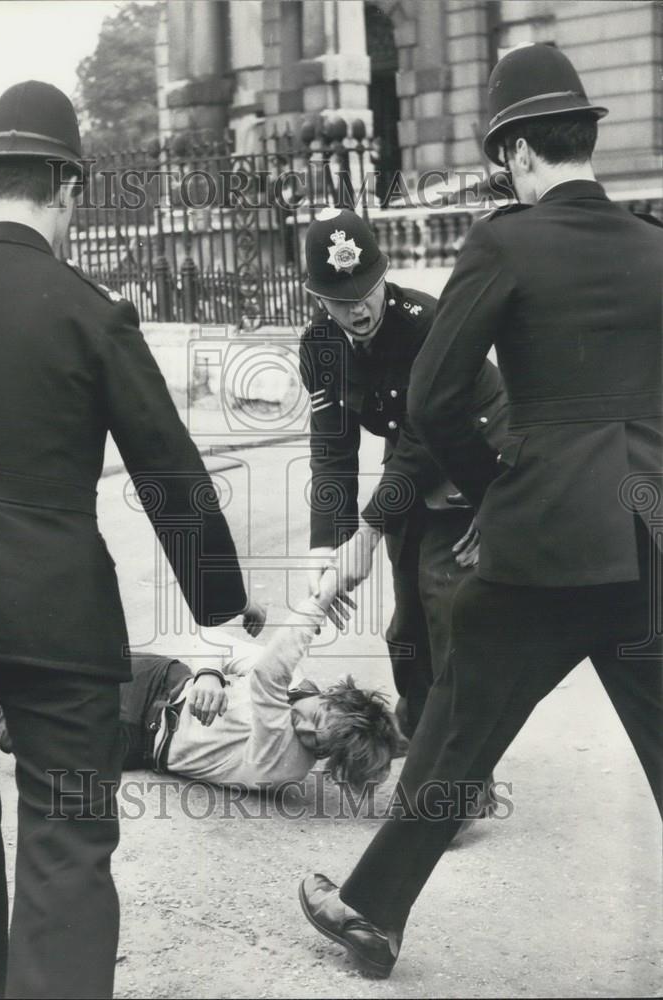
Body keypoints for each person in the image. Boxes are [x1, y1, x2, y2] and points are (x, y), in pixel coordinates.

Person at [0, 81, 256, 1000]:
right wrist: (222, 601)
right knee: (70, 840)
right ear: (68, 188)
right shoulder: (92, 312)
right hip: (56, 611)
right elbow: (167, 462)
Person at [298, 43, 663, 980]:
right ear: (586, 136)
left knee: (460, 718)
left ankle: (374, 914)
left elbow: (432, 399)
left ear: (513, 153)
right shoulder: (656, 246)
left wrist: (500, 484)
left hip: (541, 537)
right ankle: (372, 907)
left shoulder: (503, 240)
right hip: (647, 529)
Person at [299, 207, 507, 742]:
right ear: (317, 298)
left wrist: (368, 530)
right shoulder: (319, 345)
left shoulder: (423, 323)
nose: (359, 308)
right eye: (341, 300)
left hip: (473, 448)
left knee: (446, 604)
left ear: (383, 276)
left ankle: (461, 771)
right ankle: (419, 734)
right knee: (408, 618)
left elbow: (430, 437)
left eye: (367, 290)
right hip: (411, 452)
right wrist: (328, 547)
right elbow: (333, 446)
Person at [0, 568, 403, 791]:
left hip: (138, 738)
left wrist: (325, 594)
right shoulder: (297, 683)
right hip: (162, 680)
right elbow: (211, 637)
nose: (304, 726)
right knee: (57, 662)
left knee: (24, 735)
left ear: (327, 758)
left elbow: (266, 675)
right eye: (319, 715)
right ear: (333, 696)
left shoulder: (285, 764)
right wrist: (209, 673)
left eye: (318, 741)